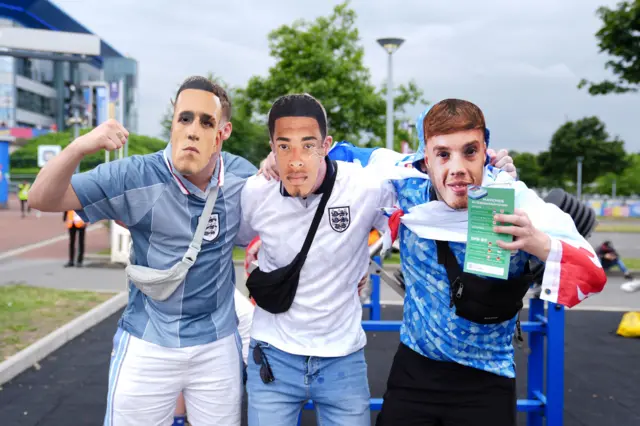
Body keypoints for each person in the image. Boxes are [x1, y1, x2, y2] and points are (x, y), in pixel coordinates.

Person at [310, 99, 607, 426]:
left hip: (487, 378)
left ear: (485, 153)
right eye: (443, 154)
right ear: (426, 158)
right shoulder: (403, 183)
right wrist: (273, 161)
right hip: (414, 372)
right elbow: (328, 153)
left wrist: (540, 244)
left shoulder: (517, 202)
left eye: (469, 152)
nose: (457, 168)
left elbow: (592, 273)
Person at [237, 94, 518, 426]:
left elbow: (425, 173)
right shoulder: (259, 190)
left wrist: (498, 175)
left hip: (354, 361)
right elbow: (239, 234)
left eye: (470, 152)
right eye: (283, 146)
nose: (296, 160)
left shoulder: (509, 202)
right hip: (288, 358)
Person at [27, 76, 256, 426]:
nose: (193, 130)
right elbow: (42, 197)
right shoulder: (135, 176)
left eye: (206, 121)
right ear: (173, 123)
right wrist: (78, 147)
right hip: (148, 342)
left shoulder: (244, 179)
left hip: (216, 344)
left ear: (223, 132)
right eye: (185, 118)